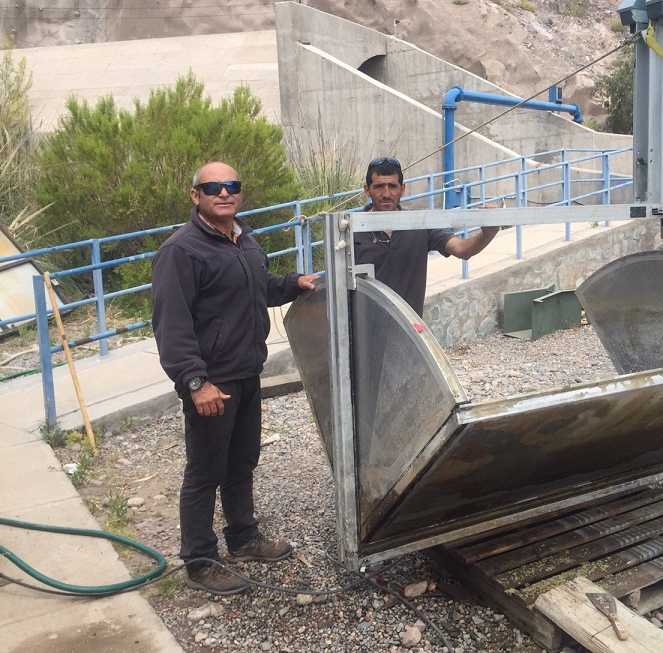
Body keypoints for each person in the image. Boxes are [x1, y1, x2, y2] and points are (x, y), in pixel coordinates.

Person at [151, 161, 319, 595]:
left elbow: (259, 287)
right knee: (205, 472)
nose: (224, 193)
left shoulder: (243, 238)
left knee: (242, 462)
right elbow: (172, 325)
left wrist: (294, 283)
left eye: (232, 186)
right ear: (196, 196)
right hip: (212, 382)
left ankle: (243, 538)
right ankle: (200, 561)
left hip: (247, 372)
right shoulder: (181, 251)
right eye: (213, 187)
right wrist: (195, 382)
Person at [353, 156, 499, 316]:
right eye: (379, 186)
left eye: (392, 186)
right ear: (367, 189)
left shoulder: (420, 225)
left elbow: (462, 249)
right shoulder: (351, 230)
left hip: (409, 327)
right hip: (364, 327)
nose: (386, 194)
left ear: (402, 189)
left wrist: (487, 234)